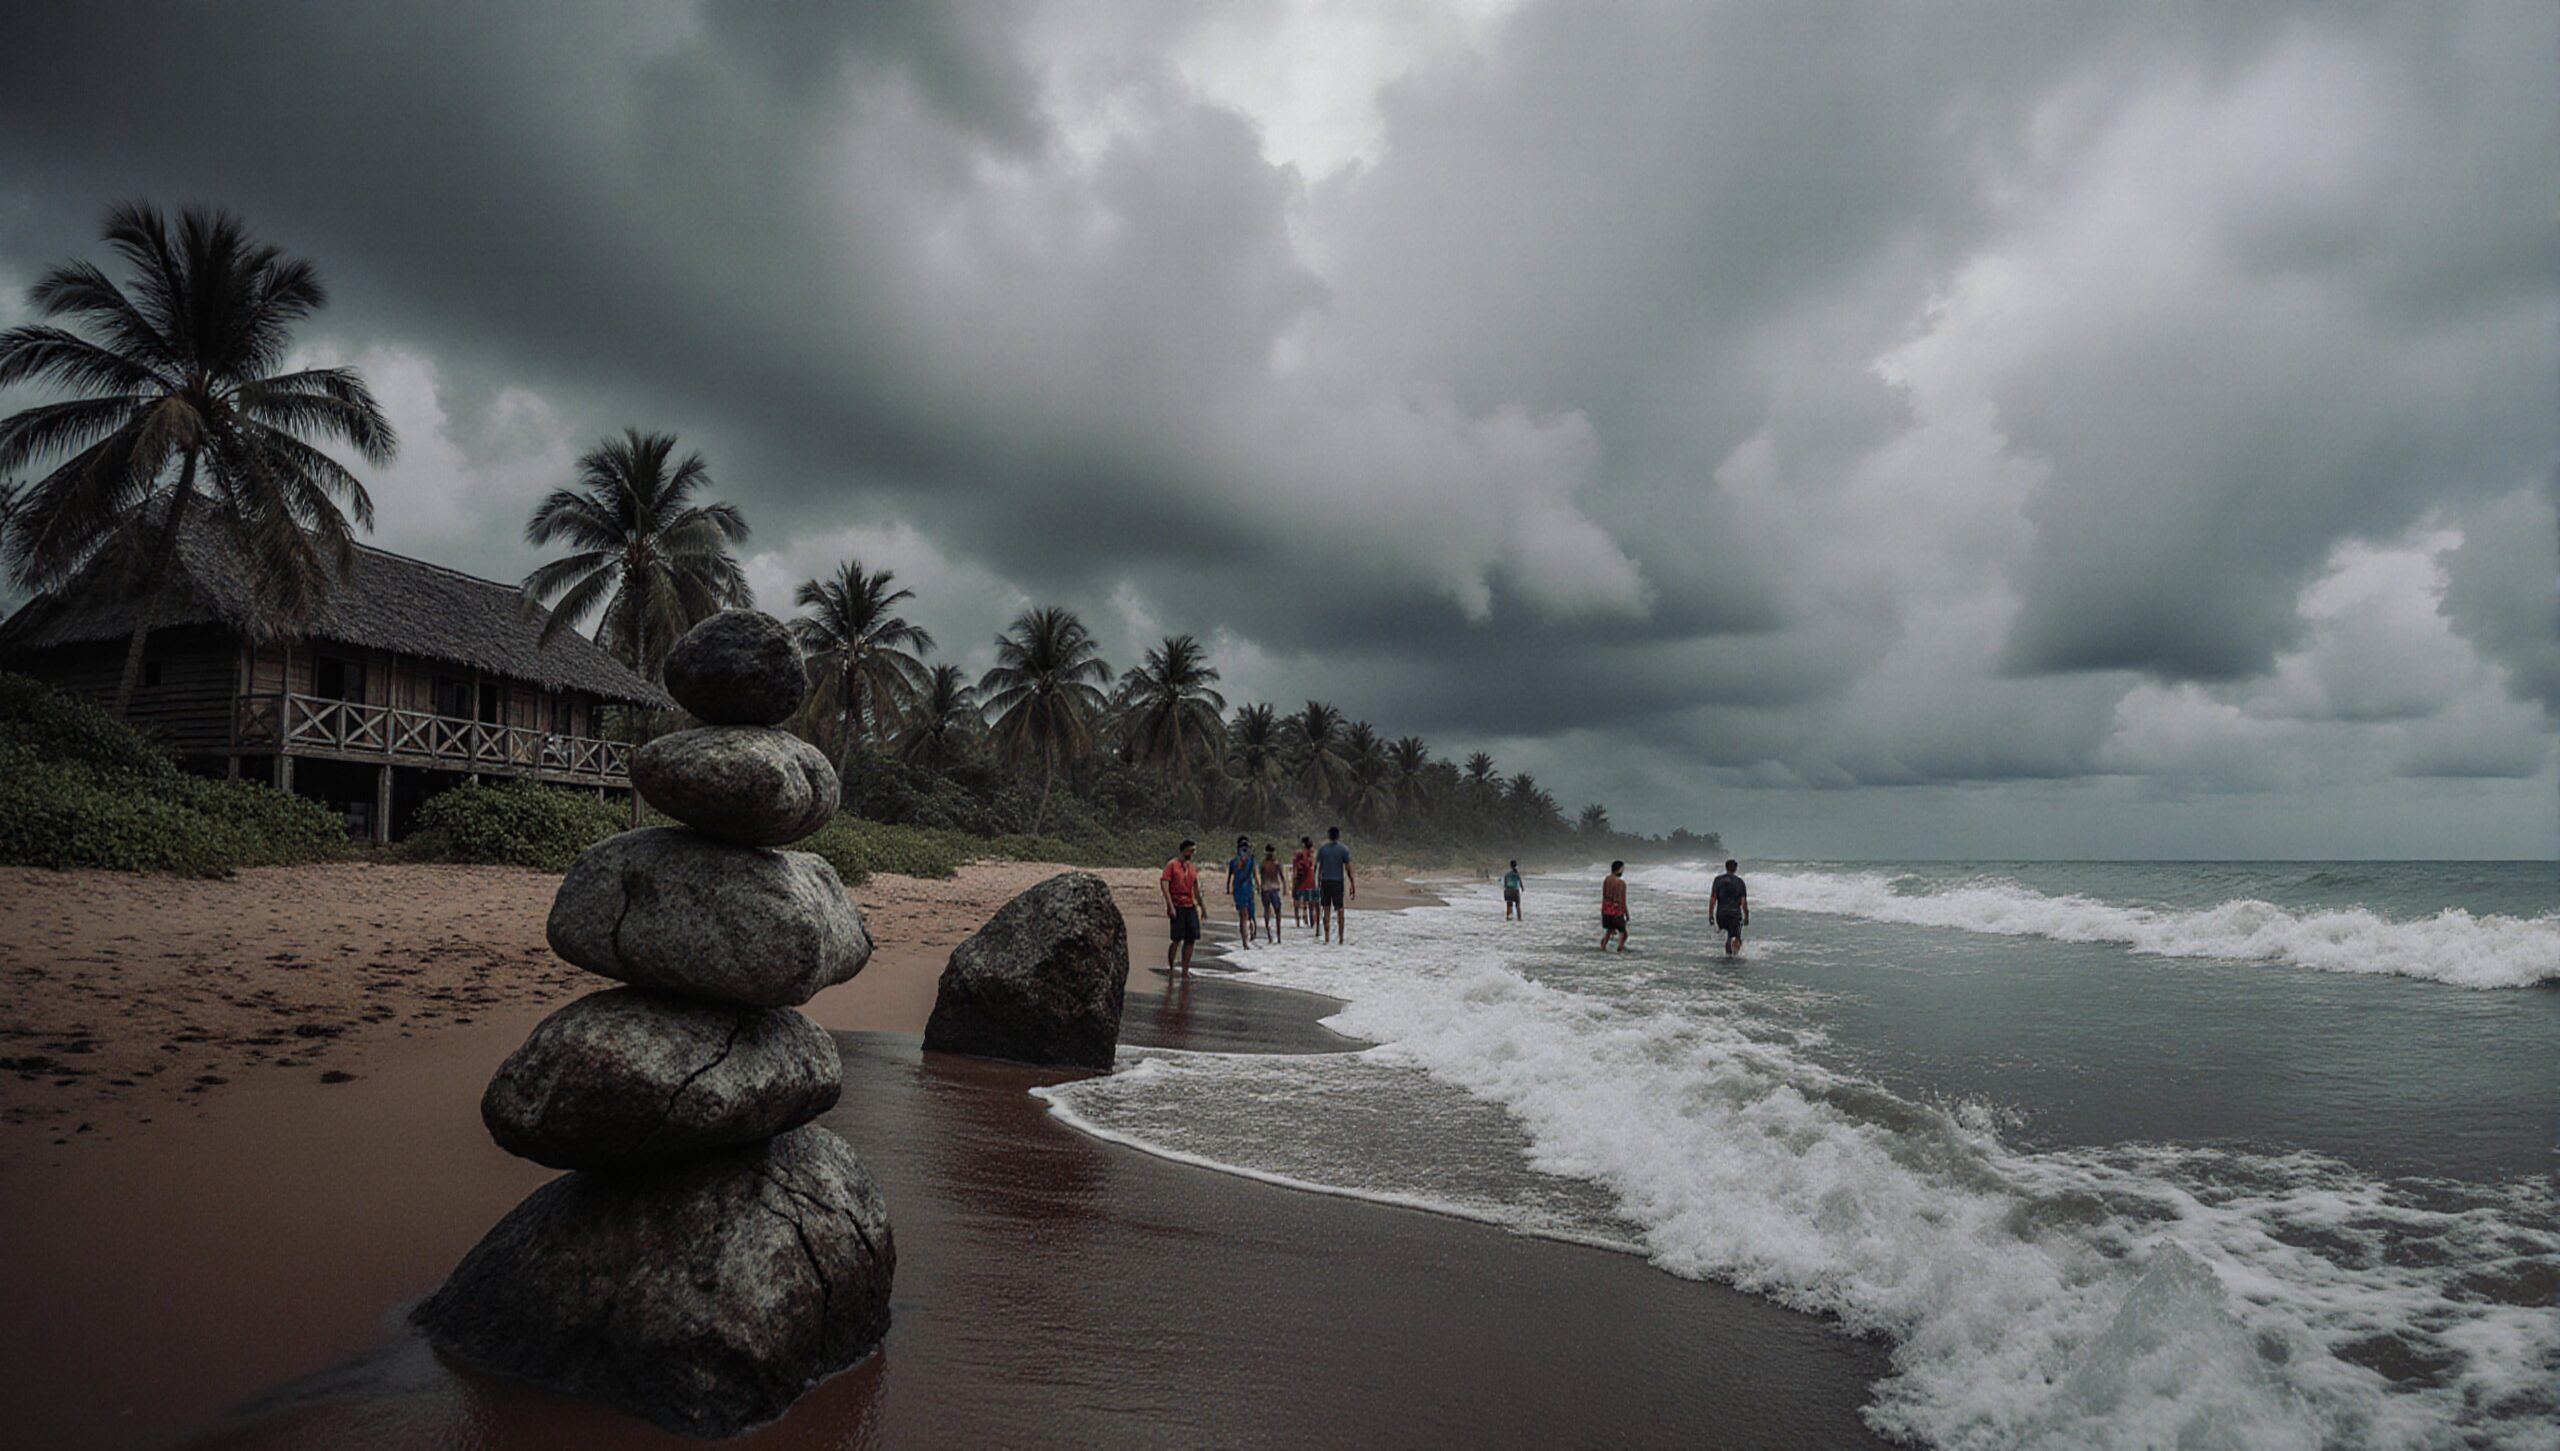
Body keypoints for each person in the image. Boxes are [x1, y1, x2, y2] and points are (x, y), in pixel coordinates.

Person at [1160, 839, 1202, 974]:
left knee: (1191, 938)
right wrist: (1170, 904)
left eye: (1193, 851)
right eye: (1190, 850)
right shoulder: (1172, 865)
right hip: (1177, 905)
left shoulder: (1192, 867)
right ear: (1183, 850)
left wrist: (1202, 906)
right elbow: (1165, 883)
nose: (1192, 853)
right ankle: (1172, 966)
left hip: (1190, 905)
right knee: (1176, 939)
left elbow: (1196, 887)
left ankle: (1185, 968)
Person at [1315, 825, 1355, 944]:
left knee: (1326, 909)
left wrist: (1318, 881)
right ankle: (1341, 939)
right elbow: (1348, 868)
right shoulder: (1343, 850)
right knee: (1340, 909)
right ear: (1338, 836)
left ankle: (1327, 938)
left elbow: (1319, 867)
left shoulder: (1322, 849)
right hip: (1337, 882)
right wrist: (1352, 883)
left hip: (1325, 881)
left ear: (1328, 836)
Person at [1224, 835, 1258, 950]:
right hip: (1247, 889)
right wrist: (1258, 887)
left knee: (1243, 916)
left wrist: (1228, 888)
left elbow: (1230, 876)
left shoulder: (1235, 861)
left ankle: (1245, 942)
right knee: (1248, 915)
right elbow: (1255, 875)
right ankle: (1249, 937)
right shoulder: (1250, 860)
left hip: (1239, 889)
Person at [1709, 858, 1748, 957]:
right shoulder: (1739, 882)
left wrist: (1710, 914)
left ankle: (1728, 954)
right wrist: (1746, 916)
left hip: (1721, 914)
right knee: (1736, 936)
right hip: (1734, 914)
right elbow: (1743, 902)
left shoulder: (1718, 880)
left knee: (1728, 936)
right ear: (1735, 869)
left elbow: (1713, 898)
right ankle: (1734, 955)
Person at [1257, 843, 1286, 943]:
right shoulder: (1276, 863)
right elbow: (1282, 877)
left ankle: (1271, 935)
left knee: (1267, 911)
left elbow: (1261, 876)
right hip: (1273, 889)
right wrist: (1285, 887)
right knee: (1276, 912)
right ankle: (1277, 936)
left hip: (1266, 889)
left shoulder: (1263, 863)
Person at [1599, 860, 1629, 951]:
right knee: (1623, 933)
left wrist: (1603, 911)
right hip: (1616, 910)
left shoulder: (1606, 880)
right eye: (1622, 869)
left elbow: (1604, 896)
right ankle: (1620, 948)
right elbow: (1622, 900)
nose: (1623, 871)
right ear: (1619, 869)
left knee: (1609, 929)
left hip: (1606, 908)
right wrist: (1626, 914)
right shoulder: (1621, 883)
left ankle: (1603, 946)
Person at [1291, 836, 1318, 927]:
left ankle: (1298, 923)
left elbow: (1295, 869)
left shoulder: (1299, 855)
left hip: (1300, 882)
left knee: (1297, 902)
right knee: (1311, 904)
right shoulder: (1313, 855)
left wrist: (1293, 882)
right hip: (1311, 882)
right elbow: (1315, 869)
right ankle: (1312, 923)